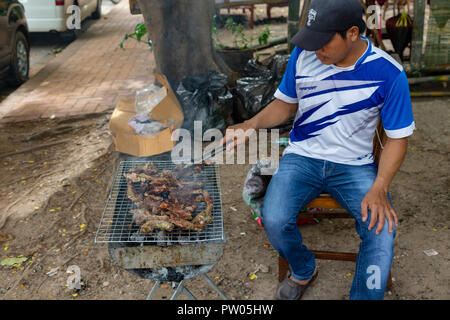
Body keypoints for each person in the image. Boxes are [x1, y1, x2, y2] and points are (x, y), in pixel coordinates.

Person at [223, 0, 415, 300]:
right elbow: (286, 104)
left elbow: (397, 138)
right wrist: (251, 124)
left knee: (381, 230)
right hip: (303, 157)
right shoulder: (304, 55)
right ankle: (303, 269)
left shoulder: (388, 73)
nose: (316, 50)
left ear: (352, 33)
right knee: (273, 217)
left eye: (323, 42)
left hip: (355, 166)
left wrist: (380, 185)